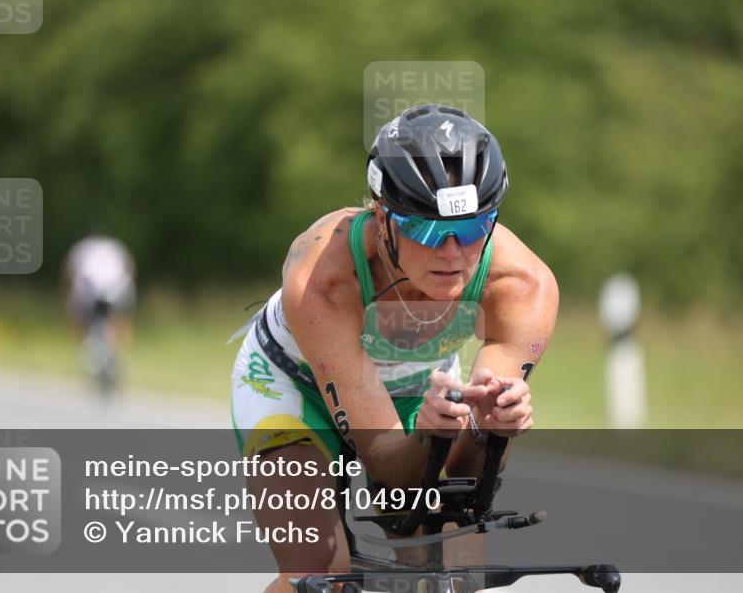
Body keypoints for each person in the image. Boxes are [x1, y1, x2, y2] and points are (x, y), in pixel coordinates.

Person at [230, 105, 558, 592]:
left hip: (417, 392)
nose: (451, 253)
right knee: (319, 570)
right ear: (381, 217)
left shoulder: (523, 285)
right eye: (425, 229)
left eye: (472, 228)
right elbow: (383, 458)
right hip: (294, 391)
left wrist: (489, 428)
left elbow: (464, 477)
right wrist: (429, 439)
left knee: (441, 577)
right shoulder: (322, 276)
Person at [63, 234, 136, 393]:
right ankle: (120, 352)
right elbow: (129, 268)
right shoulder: (116, 246)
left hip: (88, 290)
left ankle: (85, 346)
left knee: (77, 314)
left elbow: (69, 273)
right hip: (118, 288)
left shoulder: (81, 247)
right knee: (121, 319)